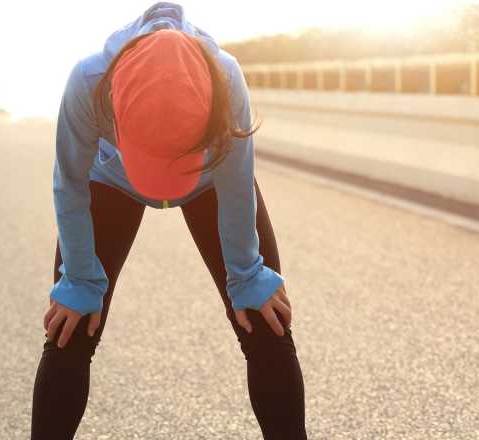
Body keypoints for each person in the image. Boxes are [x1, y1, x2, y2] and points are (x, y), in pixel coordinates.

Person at [31, 3, 307, 439]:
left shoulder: (225, 76)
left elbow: (237, 183)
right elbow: (70, 184)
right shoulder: (88, 81)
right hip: (113, 179)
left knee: (263, 316)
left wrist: (247, 273)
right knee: (72, 325)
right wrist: (80, 279)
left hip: (209, 179)